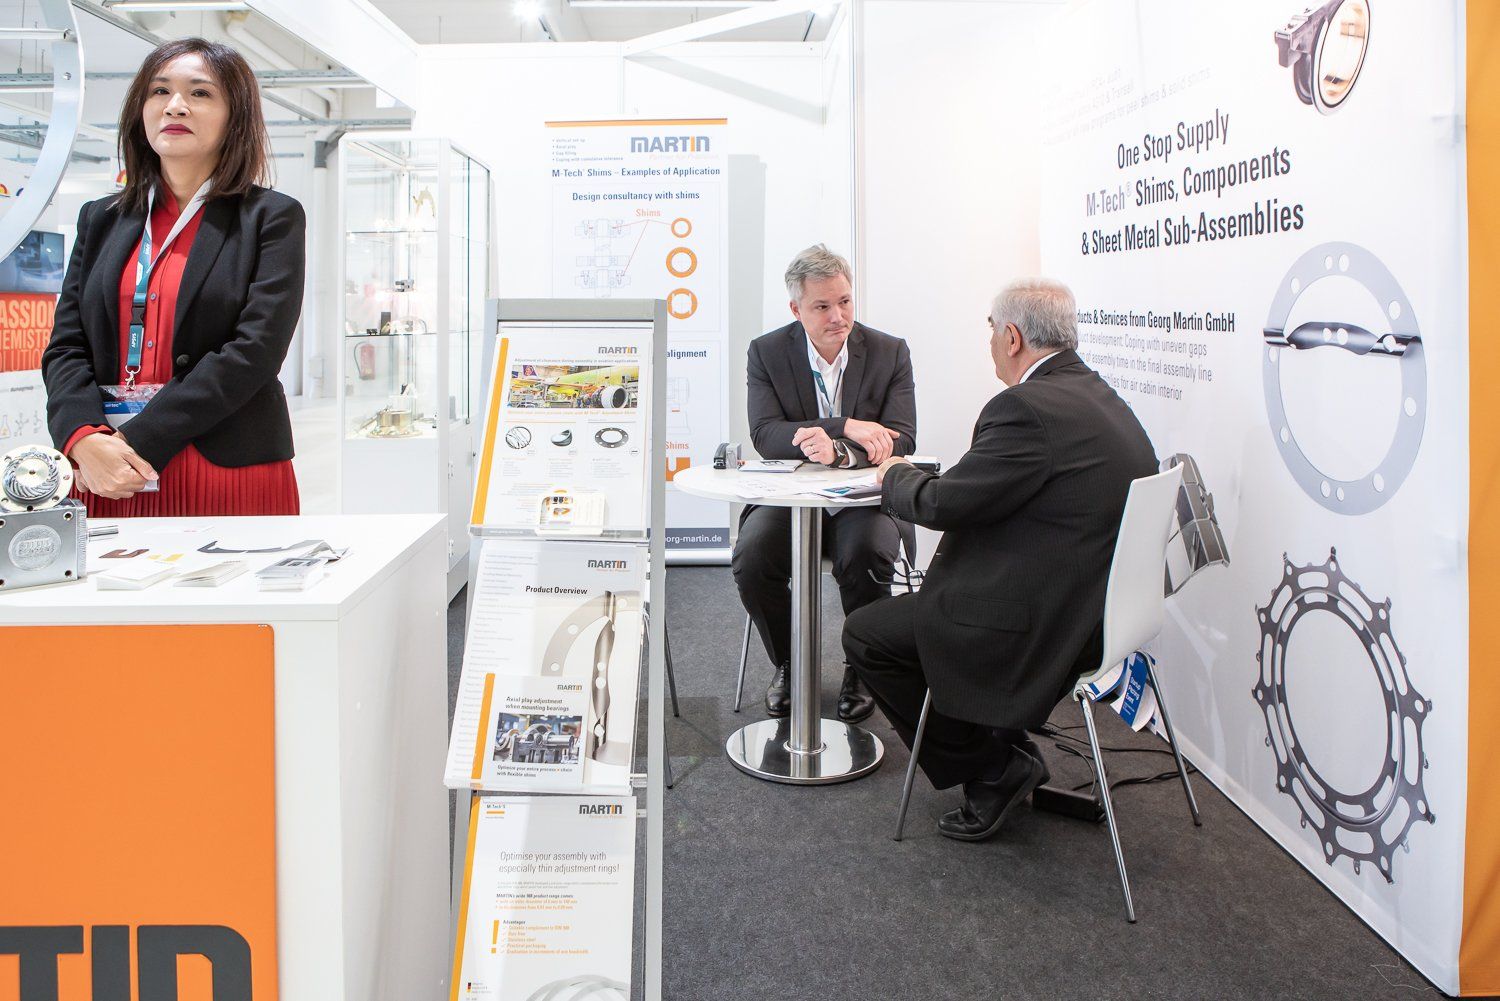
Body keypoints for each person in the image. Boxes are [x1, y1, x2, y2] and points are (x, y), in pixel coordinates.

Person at [843, 278, 1157, 842]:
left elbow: (942, 504)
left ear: (1012, 337)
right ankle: (998, 741)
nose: (989, 340)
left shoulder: (1024, 409)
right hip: (1095, 613)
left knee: (868, 635)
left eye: (990, 329)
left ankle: (993, 767)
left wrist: (893, 475)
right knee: (915, 615)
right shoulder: (1098, 393)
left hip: (1042, 623)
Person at [42, 38, 306, 517]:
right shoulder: (100, 219)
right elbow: (66, 345)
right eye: (159, 91)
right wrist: (81, 437)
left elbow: (255, 351)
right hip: (107, 467)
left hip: (221, 463)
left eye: (200, 93)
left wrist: (138, 439)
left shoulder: (271, 217)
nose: (175, 106)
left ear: (235, 116)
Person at [733, 244, 917, 723]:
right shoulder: (766, 352)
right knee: (752, 557)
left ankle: (862, 665)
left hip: (865, 502)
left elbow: (903, 437)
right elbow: (766, 435)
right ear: (796, 309)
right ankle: (790, 663)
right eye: (822, 306)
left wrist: (839, 446)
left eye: (845, 301)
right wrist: (846, 426)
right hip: (791, 500)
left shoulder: (889, 351)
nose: (838, 316)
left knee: (866, 554)